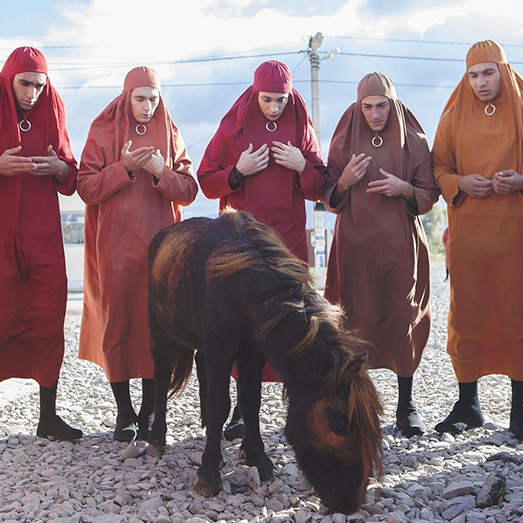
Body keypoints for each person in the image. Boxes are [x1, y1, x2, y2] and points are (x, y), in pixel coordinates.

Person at [198, 60, 326, 439]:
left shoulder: (301, 122)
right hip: (241, 245)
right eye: (267, 100)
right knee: (239, 322)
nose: (274, 108)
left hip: (286, 244)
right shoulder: (233, 124)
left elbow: (319, 187)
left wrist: (303, 165)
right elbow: (206, 182)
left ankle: (299, 406)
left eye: (281, 100)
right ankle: (239, 409)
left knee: (290, 322)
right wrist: (237, 171)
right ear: (255, 93)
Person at [77, 67, 198, 441]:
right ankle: (124, 412)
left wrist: (161, 170)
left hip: (161, 251)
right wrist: (124, 168)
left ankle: (149, 410)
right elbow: (85, 187)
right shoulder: (103, 129)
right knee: (119, 323)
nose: (148, 107)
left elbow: (189, 190)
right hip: (113, 247)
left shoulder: (170, 130)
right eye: (140, 98)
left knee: (157, 328)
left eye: (154, 99)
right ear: (127, 96)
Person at [323, 72, 439, 437]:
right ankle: (354, 405)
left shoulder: (412, 134)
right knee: (353, 321)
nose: (375, 114)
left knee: (403, 319)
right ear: (359, 105)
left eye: (382, 106)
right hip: (354, 248)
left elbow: (429, 192)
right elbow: (327, 194)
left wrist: (404, 187)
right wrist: (344, 182)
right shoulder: (345, 132)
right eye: (368, 106)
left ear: (392, 103)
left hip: (400, 247)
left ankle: (407, 406)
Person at [432, 40, 523, 439]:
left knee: (517, 313)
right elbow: (438, 167)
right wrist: (460, 182)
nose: (481, 82)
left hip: (516, 237)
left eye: (488, 73)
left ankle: (520, 409)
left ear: (503, 71)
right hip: (469, 239)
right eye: (473, 74)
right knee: (467, 315)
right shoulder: (454, 114)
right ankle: (468, 404)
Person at [0, 47, 82, 440]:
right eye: (25, 83)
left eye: (39, 84)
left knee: (49, 320)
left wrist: (60, 168)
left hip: (43, 238)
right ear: (8, 79)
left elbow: (71, 175)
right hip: (1, 238)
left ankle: (47, 417)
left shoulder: (53, 108)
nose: (32, 92)